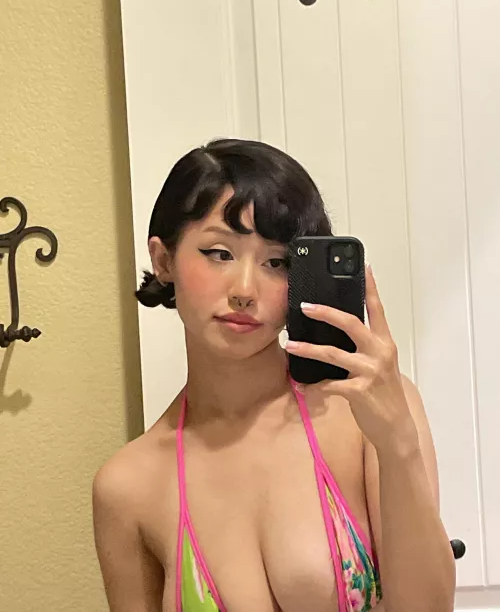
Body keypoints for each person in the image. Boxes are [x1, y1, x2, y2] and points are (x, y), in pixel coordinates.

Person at [93, 138, 455, 612]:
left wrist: (398, 445)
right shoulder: (127, 487)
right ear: (164, 260)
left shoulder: (363, 414)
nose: (245, 290)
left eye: (276, 262)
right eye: (219, 253)